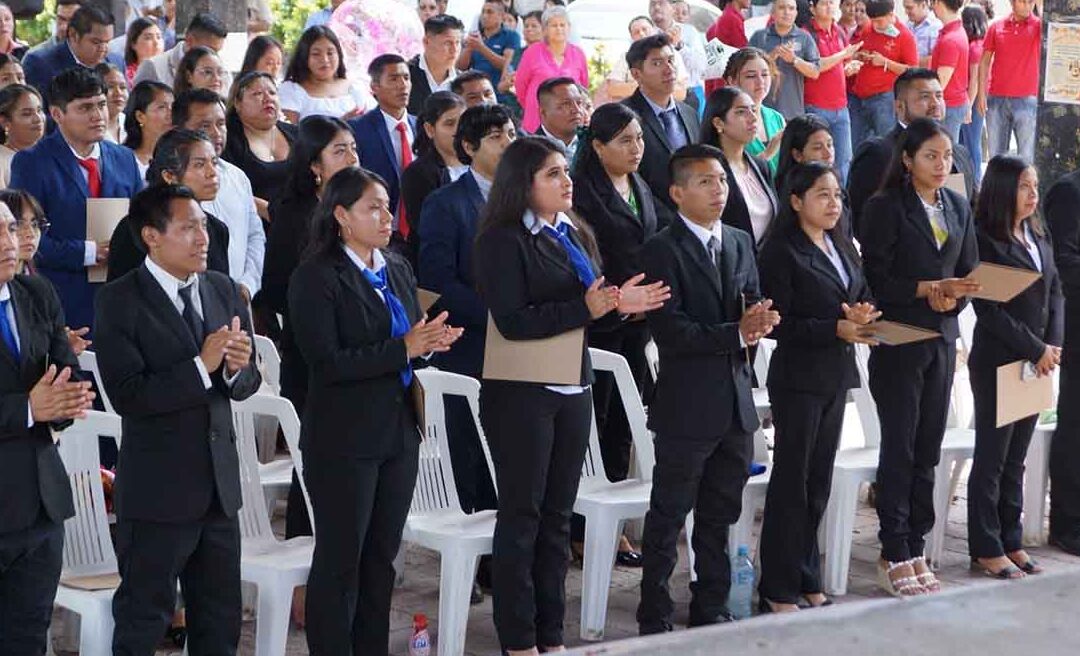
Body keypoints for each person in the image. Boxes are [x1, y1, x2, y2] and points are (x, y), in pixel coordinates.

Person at [475, 136, 666, 654]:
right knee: (523, 515)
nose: (567, 181)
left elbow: (593, 309)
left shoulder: (573, 231)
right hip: (521, 390)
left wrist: (625, 306)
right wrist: (591, 308)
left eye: (565, 171)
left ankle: (550, 634)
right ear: (523, 184)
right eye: (553, 174)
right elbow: (513, 321)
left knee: (560, 516)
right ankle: (518, 638)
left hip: (572, 383)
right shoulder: (502, 239)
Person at [289, 165, 461, 654]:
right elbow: (327, 363)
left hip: (398, 429)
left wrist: (428, 344)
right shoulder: (317, 276)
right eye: (372, 208)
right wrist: (405, 348)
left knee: (383, 556)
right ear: (341, 215)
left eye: (388, 206)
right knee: (341, 558)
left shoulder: (396, 267)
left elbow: (407, 338)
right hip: (343, 435)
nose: (386, 216)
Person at [95, 183, 261, 655]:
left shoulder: (224, 289)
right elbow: (128, 395)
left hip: (218, 490)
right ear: (151, 236)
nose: (202, 237)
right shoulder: (120, 300)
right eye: (187, 228)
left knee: (220, 623)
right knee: (143, 619)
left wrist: (237, 369)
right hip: (157, 494)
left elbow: (247, 384)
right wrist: (200, 366)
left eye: (204, 225)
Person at [638, 143, 778, 634]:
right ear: (677, 192)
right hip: (686, 404)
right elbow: (671, 333)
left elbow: (751, 299)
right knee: (668, 515)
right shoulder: (661, 249)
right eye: (704, 182)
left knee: (721, 513)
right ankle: (653, 612)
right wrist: (736, 332)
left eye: (721, 180)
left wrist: (760, 320)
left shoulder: (739, 240)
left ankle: (710, 605)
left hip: (735, 400)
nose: (718, 190)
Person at [859, 118, 979, 596]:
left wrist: (955, 298)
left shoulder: (956, 204)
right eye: (930, 155)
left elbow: (968, 270)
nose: (941, 163)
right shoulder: (884, 207)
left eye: (946, 155)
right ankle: (893, 549)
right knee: (901, 446)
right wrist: (924, 290)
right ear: (907, 160)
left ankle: (916, 542)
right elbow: (876, 279)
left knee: (928, 445)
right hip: (899, 337)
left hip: (941, 338)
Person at [756, 162, 878, 613]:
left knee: (818, 482)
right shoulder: (781, 252)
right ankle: (778, 586)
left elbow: (861, 291)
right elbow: (777, 323)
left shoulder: (841, 244)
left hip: (835, 375)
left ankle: (807, 574)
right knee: (792, 481)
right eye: (822, 195)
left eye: (837, 196)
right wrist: (835, 329)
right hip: (798, 378)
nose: (833, 204)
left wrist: (863, 314)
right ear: (796, 201)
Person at [0, 197, 95, 655]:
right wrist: (26, 408)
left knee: (29, 633)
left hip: (39, 501)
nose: (9, 243)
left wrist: (65, 399)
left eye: (10, 231)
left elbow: (63, 367)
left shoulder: (36, 294)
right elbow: (32, 401)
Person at [569, 102, 659, 564]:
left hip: (639, 323)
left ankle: (615, 527)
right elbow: (587, 257)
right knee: (596, 425)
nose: (636, 148)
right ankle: (583, 528)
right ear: (598, 146)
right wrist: (618, 300)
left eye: (639, 138)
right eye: (624, 140)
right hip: (602, 322)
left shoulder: (640, 184)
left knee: (625, 420)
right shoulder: (583, 192)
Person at [417, 104, 514, 520]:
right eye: (496, 136)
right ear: (469, 147)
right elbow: (438, 282)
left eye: (511, 132)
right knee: (470, 448)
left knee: (512, 450)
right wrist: (495, 316)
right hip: (471, 343)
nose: (508, 142)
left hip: (523, 345)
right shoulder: (446, 203)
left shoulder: (529, 198)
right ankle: (475, 557)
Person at [967, 155, 1061, 579]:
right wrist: (1035, 345)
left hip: (1037, 361)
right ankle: (986, 545)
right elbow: (990, 310)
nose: (1032, 195)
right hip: (1000, 359)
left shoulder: (1036, 234)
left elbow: (1055, 289)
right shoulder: (987, 239)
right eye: (1024, 186)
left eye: (1035, 186)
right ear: (1004, 190)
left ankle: (1011, 537)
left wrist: (1052, 345)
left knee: (1017, 457)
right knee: (993, 455)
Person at [9, 67, 142, 336]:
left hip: (124, 297)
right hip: (64, 300)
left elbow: (143, 219)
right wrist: (90, 252)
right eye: (84, 108)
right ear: (57, 115)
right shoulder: (32, 162)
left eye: (101, 105)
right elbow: (24, 238)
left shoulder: (124, 158)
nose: (97, 116)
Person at [847, 68, 977, 234]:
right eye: (925, 97)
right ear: (899, 106)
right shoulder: (879, 153)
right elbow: (863, 221)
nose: (935, 104)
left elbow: (971, 216)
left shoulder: (959, 154)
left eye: (939, 96)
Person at [174, 89, 266, 305]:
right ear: (179, 128)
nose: (216, 133)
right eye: (205, 125)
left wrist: (247, 285)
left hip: (237, 297)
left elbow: (255, 236)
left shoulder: (237, 177)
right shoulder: (168, 182)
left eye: (221, 123)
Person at [107, 128, 232, 281]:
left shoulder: (218, 230)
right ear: (169, 176)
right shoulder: (134, 229)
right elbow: (119, 296)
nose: (212, 173)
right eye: (199, 165)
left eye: (214, 162)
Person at [623, 33, 700, 227]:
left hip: (697, 219)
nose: (669, 69)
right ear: (636, 74)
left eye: (671, 60)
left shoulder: (689, 114)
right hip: (650, 226)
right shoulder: (625, 118)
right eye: (657, 63)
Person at [1044, 154, 1080, 558]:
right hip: (1076, 329)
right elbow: (1062, 263)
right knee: (1075, 427)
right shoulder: (1069, 191)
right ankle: (1068, 523)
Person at [349, 54, 416, 248]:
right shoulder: (358, 129)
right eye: (394, 79)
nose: (403, 85)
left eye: (406, 78)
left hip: (419, 231)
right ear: (375, 88)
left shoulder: (423, 127)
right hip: (378, 232)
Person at [701, 87, 778, 246]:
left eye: (753, 110)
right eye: (741, 112)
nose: (753, 118)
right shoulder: (707, 172)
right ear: (718, 123)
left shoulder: (761, 166)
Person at [222, 71, 297, 224]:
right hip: (254, 223)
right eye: (257, 94)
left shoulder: (297, 134)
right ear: (237, 103)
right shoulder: (227, 141)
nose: (267, 98)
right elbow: (227, 189)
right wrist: (267, 210)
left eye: (272, 92)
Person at [400, 90, 466, 260]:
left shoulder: (481, 163)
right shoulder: (418, 173)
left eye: (463, 122)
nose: (458, 131)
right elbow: (425, 227)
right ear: (430, 129)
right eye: (449, 123)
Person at [976, 0, 1041, 164]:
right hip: (997, 99)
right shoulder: (996, 26)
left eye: (1030, 1)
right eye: (1022, 1)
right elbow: (984, 61)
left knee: (1026, 160)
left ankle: (1023, 190)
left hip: (1028, 101)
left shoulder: (1039, 27)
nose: (1027, 5)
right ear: (1012, 2)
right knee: (996, 158)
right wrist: (982, 95)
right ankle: (996, 190)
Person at [804, 0, 861, 182]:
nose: (829, 7)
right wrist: (843, 55)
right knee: (817, 160)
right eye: (823, 3)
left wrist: (849, 67)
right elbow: (816, 66)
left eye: (831, 2)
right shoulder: (807, 34)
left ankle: (841, 203)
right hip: (816, 107)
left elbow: (839, 66)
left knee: (844, 161)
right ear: (812, 8)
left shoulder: (839, 31)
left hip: (841, 107)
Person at [22, 5, 125, 103]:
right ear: (73, 35)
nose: (103, 49)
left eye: (107, 42)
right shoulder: (40, 64)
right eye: (96, 42)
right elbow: (38, 115)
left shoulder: (116, 62)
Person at [848, 0, 917, 147]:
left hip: (884, 98)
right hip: (859, 96)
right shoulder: (868, 29)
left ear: (891, 15)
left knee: (886, 145)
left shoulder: (904, 36)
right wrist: (860, 56)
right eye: (872, 21)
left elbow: (912, 70)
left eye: (879, 21)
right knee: (857, 145)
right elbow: (858, 49)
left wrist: (886, 62)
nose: (875, 25)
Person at [774, 114, 853, 239]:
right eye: (818, 148)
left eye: (830, 145)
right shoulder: (781, 195)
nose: (828, 154)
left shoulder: (837, 186)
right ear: (797, 155)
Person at [514, 6, 588, 133]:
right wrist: (534, 107)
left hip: (569, 120)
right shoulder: (532, 52)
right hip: (537, 119)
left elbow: (583, 87)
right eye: (554, 25)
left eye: (562, 25)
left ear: (569, 28)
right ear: (545, 30)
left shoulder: (578, 53)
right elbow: (520, 87)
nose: (559, 29)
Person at [279, 25, 375, 123]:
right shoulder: (291, 90)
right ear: (304, 56)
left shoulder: (355, 87)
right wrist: (342, 123)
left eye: (330, 53)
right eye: (316, 54)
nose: (325, 60)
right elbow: (289, 132)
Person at [749, 0, 821, 120]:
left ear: (796, 13)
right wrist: (770, 58)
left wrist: (794, 60)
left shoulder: (804, 38)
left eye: (791, 8)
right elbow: (746, 69)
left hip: (793, 113)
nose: (787, 12)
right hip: (763, 113)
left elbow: (815, 72)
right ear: (773, 12)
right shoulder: (759, 37)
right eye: (782, 8)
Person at [723, 48, 785, 174]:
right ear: (732, 81)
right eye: (751, 76)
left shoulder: (776, 117)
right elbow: (731, 171)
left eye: (765, 74)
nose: (760, 82)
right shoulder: (726, 122)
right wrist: (767, 154)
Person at [602, 16, 690, 105]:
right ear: (632, 37)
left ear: (654, 30)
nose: (642, 34)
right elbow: (613, 89)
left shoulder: (672, 54)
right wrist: (656, 86)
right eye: (636, 32)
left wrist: (640, 86)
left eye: (645, 29)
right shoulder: (625, 57)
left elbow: (681, 93)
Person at [132, 12, 230, 90]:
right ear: (190, 40)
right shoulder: (153, 67)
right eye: (209, 49)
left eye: (217, 51)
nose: (214, 55)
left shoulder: (222, 70)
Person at [648, 0, 706, 112]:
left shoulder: (689, 32)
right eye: (652, 4)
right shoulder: (646, 34)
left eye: (661, 3)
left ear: (672, 8)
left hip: (689, 95)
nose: (656, 7)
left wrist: (680, 46)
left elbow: (701, 66)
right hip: (657, 98)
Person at [459, 0, 520, 99]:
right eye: (483, 12)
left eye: (489, 12)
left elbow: (507, 64)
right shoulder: (476, 36)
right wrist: (469, 49)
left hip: (501, 96)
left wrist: (481, 48)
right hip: (477, 95)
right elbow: (461, 67)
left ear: (501, 16)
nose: (484, 16)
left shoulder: (511, 36)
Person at [407, 14, 464, 116]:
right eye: (447, 43)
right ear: (426, 42)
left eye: (458, 42)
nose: (454, 50)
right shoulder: (406, 75)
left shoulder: (463, 81)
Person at [929, 0, 968, 141]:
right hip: (952, 103)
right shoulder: (954, 32)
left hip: (948, 105)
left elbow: (940, 82)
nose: (932, 6)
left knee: (945, 153)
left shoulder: (951, 39)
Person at [959, 5, 987, 186]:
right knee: (964, 143)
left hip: (973, 98)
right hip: (968, 97)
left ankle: (975, 182)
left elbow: (975, 80)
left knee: (972, 142)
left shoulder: (977, 47)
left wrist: (967, 105)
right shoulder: (971, 44)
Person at [122, 80, 173, 179]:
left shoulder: (181, 155)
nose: (171, 114)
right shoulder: (124, 160)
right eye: (162, 107)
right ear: (140, 116)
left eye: (173, 107)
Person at [0, 84, 43, 188]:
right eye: (27, 114)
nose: (38, 119)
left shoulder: (55, 153)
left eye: (39, 110)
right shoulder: (2, 161)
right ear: (5, 122)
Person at [535, 77, 585, 162]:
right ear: (543, 112)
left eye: (579, 103)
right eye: (566, 104)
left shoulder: (594, 144)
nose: (577, 110)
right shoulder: (530, 151)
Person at [123, 16, 164, 84]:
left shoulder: (171, 70)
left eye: (159, 37)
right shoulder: (126, 76)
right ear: (133, 44)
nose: (156, 42)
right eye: (148, 38)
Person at [96, 62, 128, 144]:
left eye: (123, 87)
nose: (118, 93)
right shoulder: (92, 126)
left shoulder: (130, 123)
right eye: (110, 87)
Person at [903, 0, 941, 67]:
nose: (906, 12)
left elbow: (936, 59)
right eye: (905, 8)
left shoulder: (935, 27)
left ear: (923, 5)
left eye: (909, 8)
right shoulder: (908, 24)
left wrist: (910, 61)